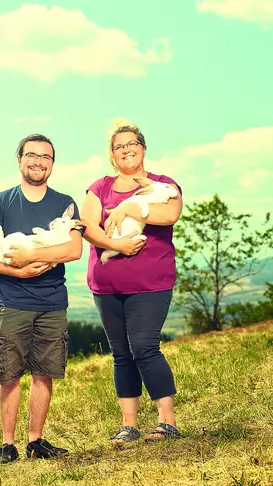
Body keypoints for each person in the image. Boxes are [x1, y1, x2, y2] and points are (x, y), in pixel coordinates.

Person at [0, 134, 83, 464]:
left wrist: (34, 254)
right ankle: (7, 444)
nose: (39, 161)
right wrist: (19, 271)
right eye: (32, 155)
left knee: (44, 373)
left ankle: (36, 441)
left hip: (52, 301)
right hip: (11, 301)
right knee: (9, 373)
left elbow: (75, 250)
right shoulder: (0, 202)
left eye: (46, 157)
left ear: (52, 163)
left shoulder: (65, 202)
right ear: (20, 160)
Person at [80, 120, 183, 443]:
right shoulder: (99, 188)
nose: (126, 150)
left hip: (150, 283)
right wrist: (117, 246)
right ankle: (129, 424)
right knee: (121, 353)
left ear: (143, 147)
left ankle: (167, 421)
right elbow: (88, 226)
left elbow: (169, 216)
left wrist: (128, 208)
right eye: (119, 146)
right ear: (112, 155)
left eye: (132, 143)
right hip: (106, 285)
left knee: (144, 348)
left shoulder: (163, 184)